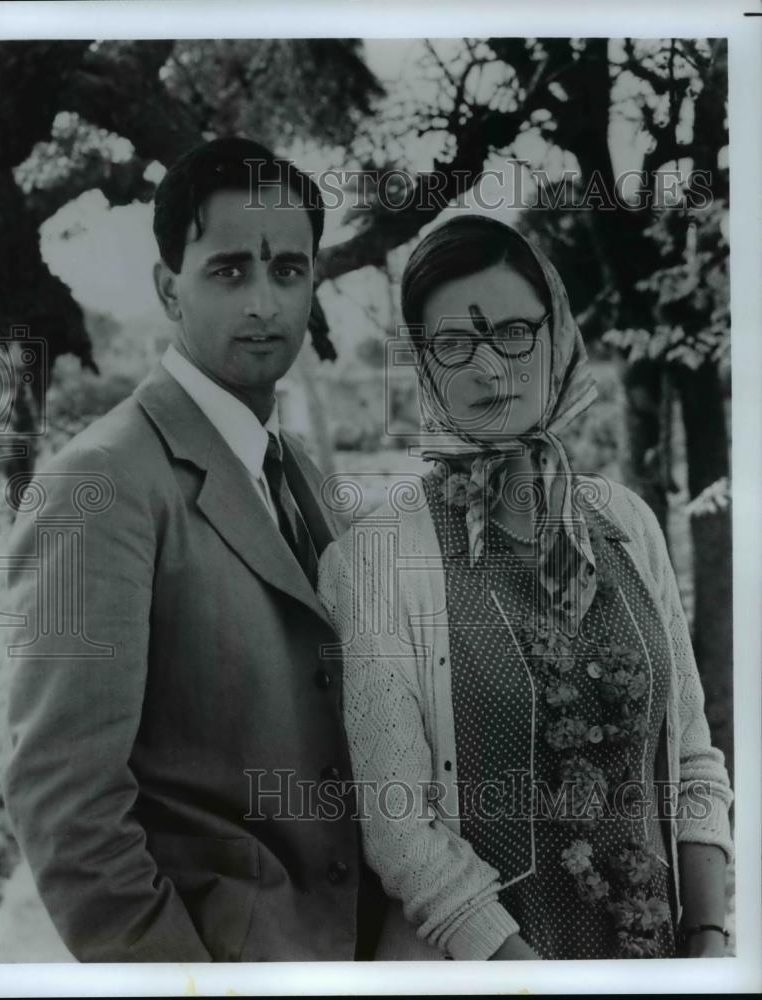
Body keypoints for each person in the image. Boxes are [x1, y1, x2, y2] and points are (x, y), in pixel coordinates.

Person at [1, 136, 384, 962]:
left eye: (288, 270)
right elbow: (64, 805)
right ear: (169, 288)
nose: (263, 302)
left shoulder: (303, 477)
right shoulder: (97, 484)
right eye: (228, 271)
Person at [317, 215, 733, 961]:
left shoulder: (625, 524)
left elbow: (693, 755)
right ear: (424, 364)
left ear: (557, 335)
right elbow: (399, 825)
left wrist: (707, 936)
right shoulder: (380, 557)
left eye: (513, 331)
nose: (490, 369)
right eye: (454, 345)